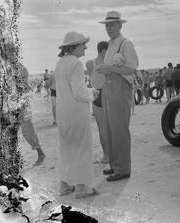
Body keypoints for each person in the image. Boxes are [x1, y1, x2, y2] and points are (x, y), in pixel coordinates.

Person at [55, 31, 100, 198]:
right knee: (82, 147)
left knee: (66, 148)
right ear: (74, 46)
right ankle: (82, 188)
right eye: (83, 44)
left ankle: (64, 185)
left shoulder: (60, 63)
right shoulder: (76, 64)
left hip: (63, 113)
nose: (86, 47)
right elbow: (79, 92)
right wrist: (92, 93)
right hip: (76, 113)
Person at [96, 11, 139, 181]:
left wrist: (110, 69)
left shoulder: (126, 44)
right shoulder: (111, 44)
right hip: (108, 87)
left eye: (112, 24)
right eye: (107, 25)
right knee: (110, 128)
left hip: (120, 87)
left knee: (120, 128)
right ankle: (114, 164)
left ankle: (123, 168)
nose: (109, 28)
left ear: (120, 25)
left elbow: (132, 68)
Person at [86, 41, 109, 164]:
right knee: (110, 127)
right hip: (107, 94)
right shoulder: (108, 63)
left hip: (96, 95)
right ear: (104, 51)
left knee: (102, 129)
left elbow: (92, 76)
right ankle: (112, 154)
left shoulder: (90, 63)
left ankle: (106, 156)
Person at [19, 64, 46, 166]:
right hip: (14, 99)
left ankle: (40, 153)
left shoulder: (19, 67)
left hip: (21, 98)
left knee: (27, 127)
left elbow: (26, 86)